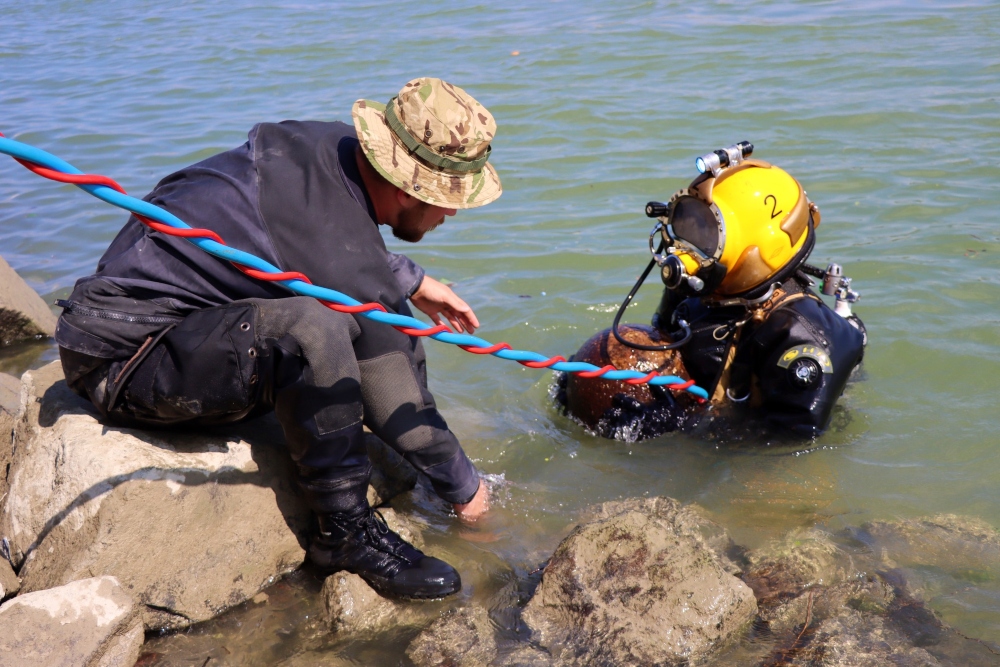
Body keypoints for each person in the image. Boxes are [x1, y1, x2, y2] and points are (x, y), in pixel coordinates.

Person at [53, 77, 499, 600]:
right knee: (317, 329)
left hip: (163, 328)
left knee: (372, 311)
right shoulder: (332, 239)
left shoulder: (326, 150)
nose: (450, 214)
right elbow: (392, 387)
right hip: (126, 359)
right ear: (407, 188)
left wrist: (412, 279)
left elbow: (302, 241)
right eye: (447, 202)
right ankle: (345, 535)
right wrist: (465, 491)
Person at [565, 146, 867, 438]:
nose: (685, 249)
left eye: (706, 234)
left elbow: (788, 444)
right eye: (688, 223)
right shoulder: (698, 283)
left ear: (754, 252)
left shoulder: (803, 336)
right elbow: (663, 340)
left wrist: (679, 428)